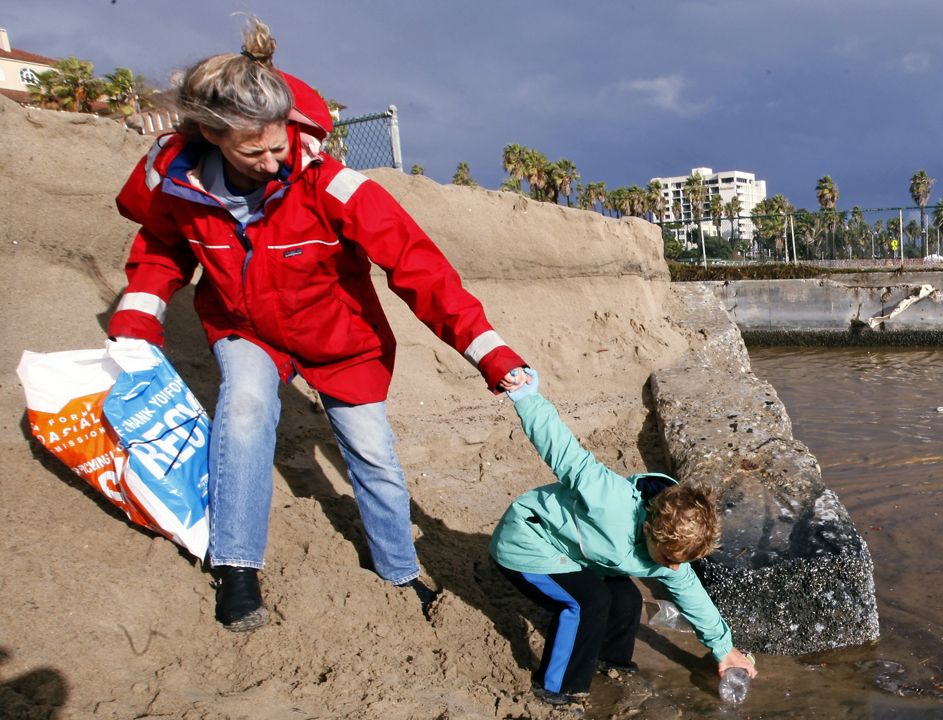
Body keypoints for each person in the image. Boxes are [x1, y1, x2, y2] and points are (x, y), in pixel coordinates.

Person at [107, 16, 528, 632]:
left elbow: (420, 269)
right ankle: (238, 569)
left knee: (373, 456)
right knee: (245, 413)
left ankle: (399, 571)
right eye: (254, 151)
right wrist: (138, 313)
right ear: (211, 136)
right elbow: (163, 251)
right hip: (244, 327)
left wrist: (489, 353)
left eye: (279, 144)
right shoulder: (183, 187)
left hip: (342, 342)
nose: (274, 161)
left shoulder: (334, 187)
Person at [490, 370, 757, 706]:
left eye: (682, 562)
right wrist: (525, 396)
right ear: (649, 529)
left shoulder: (669, 551)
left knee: (626, 600)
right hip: (529, 542)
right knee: (588, 602)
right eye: (669, 560)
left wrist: (724, 649)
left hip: (576, 553)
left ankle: (609, 662)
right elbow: (560, 449)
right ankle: (558, 689)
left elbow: (692, 596)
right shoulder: (608, 498)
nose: (674, 570)